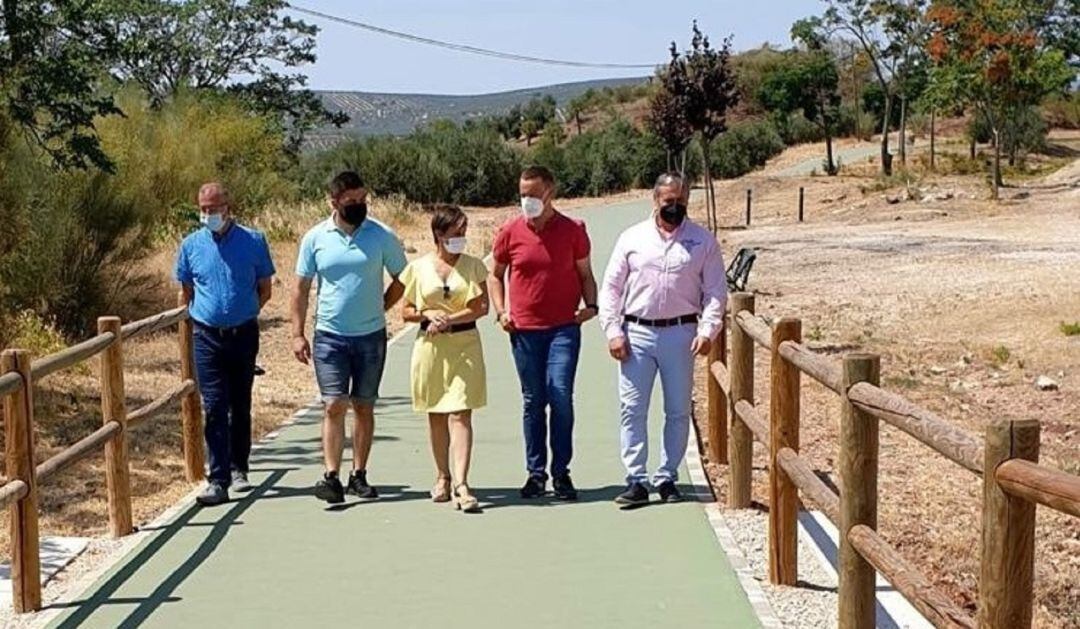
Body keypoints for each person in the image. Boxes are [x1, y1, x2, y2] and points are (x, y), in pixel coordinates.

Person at [598, 173, 727, 506]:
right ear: (655, 200)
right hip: (636, 333)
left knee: (678, 410)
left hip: (681, 335)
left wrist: (707, 330)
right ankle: (636, 480)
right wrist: (613, 331)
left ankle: (668, 477)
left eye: (681, 201)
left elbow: (715, 291)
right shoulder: (632, 239)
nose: (674, 207)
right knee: (632, 409)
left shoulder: (702, 241)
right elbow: (611, 288)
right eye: (668, 201)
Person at [290, 171, 407, 504]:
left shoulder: (382, 236)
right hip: (330, 336)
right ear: (334, 201)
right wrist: (297, 334)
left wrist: (383, 305)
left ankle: (359, 474)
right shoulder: (315, 238)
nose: (358, 206)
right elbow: (299, 289)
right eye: (351, 201)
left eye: (362, 200)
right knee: (333, 404)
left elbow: (402, 277)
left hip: (371, 336)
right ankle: (331, 476)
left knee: (364, 406)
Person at [489, 166, 598, 500]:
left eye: (534, 194)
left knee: (560, 395)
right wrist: (501, 311)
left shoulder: (573, 229)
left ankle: (561, 473)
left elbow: (585, 274)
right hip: (523, 331)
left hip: (564, 329)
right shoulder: (509, 230)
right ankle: (535, 474)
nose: (527, 201)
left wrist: (590, 306)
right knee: (534, 400)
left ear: (551, 192)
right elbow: (495, 275)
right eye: (523, 194)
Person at [175, 182, 275, 506]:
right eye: (203, 209)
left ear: (227, 206)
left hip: (243, 334)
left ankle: (238, 468)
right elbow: (186, 291)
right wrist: (198, 320)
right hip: (206, 337)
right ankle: (217, 479)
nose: (209, 214)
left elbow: (265, 288)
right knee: (214, 406)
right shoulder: (190, 245)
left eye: (214, 208)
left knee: (239, 403)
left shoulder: (254, 241)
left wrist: (243, 314)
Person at [400, 205, 489, 513]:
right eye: (455, 234)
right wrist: (427, 313)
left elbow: (481, 307)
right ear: (439, 234)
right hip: (430, 348)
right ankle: (442, 477)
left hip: (465, 344)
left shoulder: (474, 266)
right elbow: (406, 311)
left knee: (461, 413)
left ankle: (463, 483)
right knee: (436, 413)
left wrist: (450, 319)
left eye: (463, 233)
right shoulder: (418, 268)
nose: (461, 239)